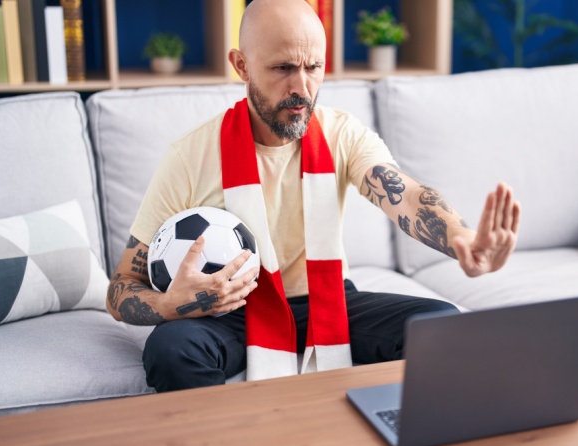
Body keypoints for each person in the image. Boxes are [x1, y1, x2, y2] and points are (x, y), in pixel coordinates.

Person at [106, 0, 520, 392]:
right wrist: (171, 304)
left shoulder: (342, 133)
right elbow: (121, 287)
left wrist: (463, 239)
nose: (301, 87)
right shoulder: (190, 155)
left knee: (439, 324)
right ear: (241, 65)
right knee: (171, 349)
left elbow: (404, 195)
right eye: (283, 68)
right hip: (231, 311)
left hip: (327, 298)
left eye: (313, 67)